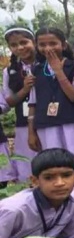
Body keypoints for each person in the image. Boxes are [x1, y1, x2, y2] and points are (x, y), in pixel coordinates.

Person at [0, 149, 74, 238]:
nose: (59, 183)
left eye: (66, 175)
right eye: (49, 178)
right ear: (35, 181)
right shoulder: (15, 209)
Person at [27, 27, 74, 178]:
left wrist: (58, 71)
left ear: (63, 45)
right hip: (45, 124)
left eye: (53, 43)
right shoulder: (36, 70)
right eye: (42, 44)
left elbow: (73, 96)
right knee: (52, 162)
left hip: (71, 123)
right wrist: (31, 131)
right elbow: (32, 102)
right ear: (37, 46)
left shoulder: (73, 67)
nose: (48, 48)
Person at [1, 26, 37, 183]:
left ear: (33, 42)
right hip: (23, 125)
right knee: (27, 166)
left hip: (48, 123)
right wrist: (24, 90)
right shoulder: (9, 71)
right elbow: (6, 102)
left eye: (24, 42)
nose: (20, 47)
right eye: (14, 45)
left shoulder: (46, 64)